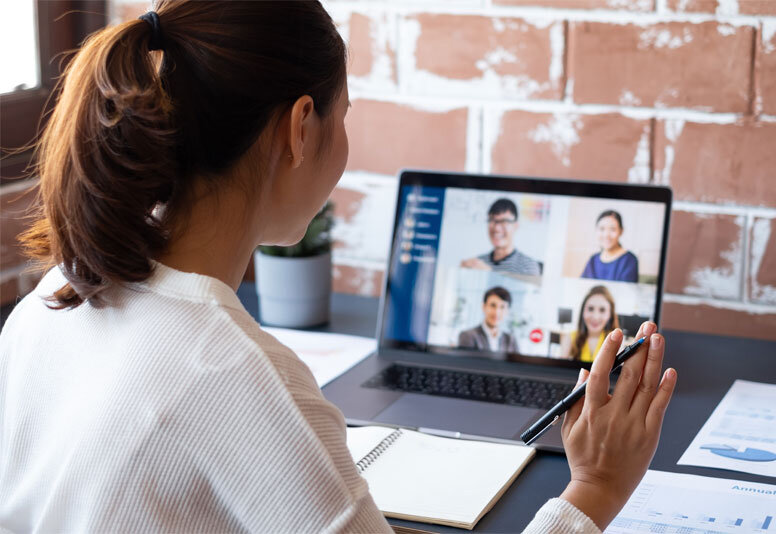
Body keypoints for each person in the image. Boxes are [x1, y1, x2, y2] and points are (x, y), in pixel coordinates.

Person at [0, 2, 676, 532]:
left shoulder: (51, 300)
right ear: (300, 127)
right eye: (343, 114)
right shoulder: (232, 377)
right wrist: (594, 490)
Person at [460, 198, 543, 276]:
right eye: (492, 221)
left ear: (516, 226)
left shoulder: (528, 266)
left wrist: (489, 274)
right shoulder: (478, 262)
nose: (497, 228)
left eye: (504, 221)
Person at [561, 285, 620, 362]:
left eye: (602, 310)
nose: (595, 317)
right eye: (590, 309)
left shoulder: (615, 342)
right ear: (583, 311)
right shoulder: (570, 338)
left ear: (610, 314)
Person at [457, 286, 519, 356]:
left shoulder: (511, 340)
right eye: (493, 305)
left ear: (507, 311)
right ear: (484, 307)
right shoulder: (468, 336)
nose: (497, 312)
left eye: (502, 307)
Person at [581, 210, 639, 283]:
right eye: (602, 229)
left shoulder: (629, 260)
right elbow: (582, 286)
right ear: (596, 230)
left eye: (613, 229)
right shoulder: (593, 259)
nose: (606, 235)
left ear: (621, 231)